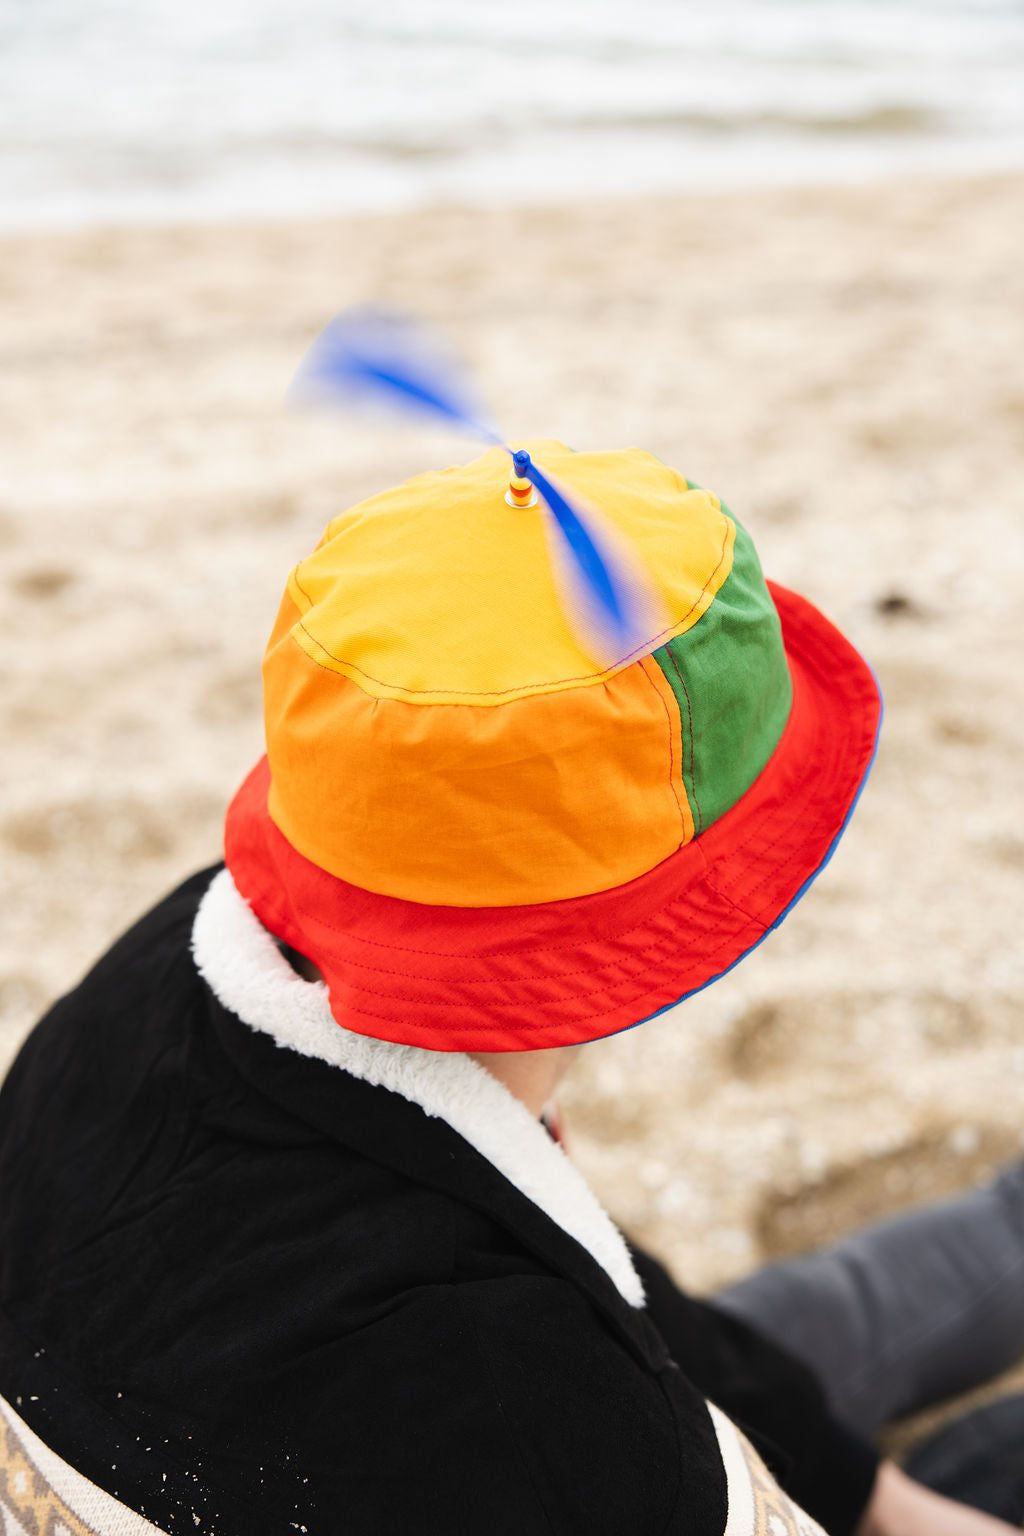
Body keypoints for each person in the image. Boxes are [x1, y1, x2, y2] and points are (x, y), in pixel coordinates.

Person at [0, 440, 1018, 1536]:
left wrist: (874, 1495)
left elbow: (589, 1272)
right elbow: (574, 1396)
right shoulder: (529, 1391)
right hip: (518, 1450)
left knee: (867, 1319)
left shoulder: (155, 985)